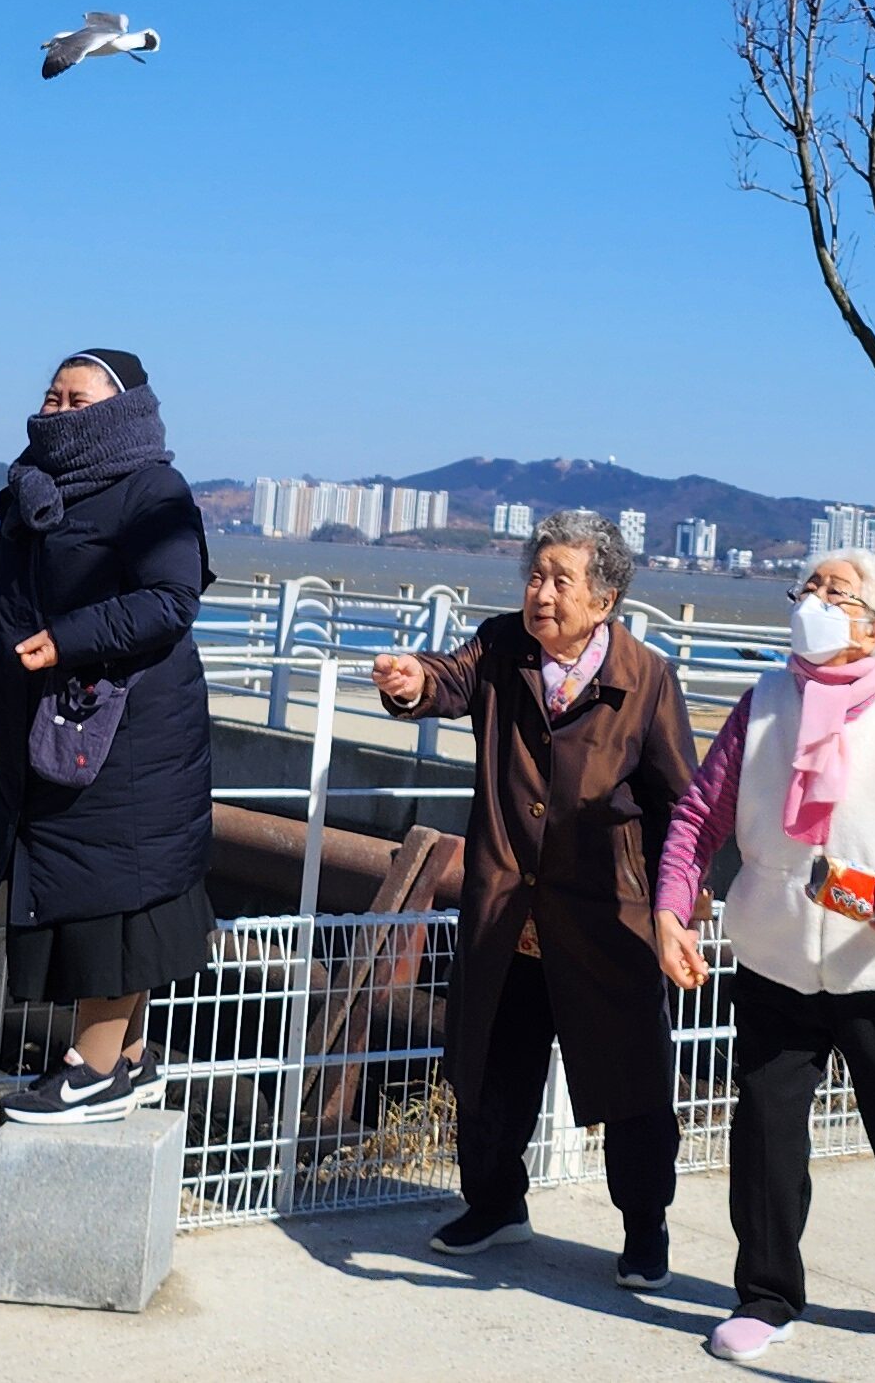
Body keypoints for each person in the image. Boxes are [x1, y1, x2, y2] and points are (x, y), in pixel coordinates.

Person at [654, 548, 875, 1363]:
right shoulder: (763, 701)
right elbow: (699, 817)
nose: (813, 600)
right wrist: (670, 909)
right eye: (807, 586)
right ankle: (765, 1297)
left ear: (874, 628)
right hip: (775, 955)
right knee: (765, 1135)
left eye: (834, 593)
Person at [371, 510, 695, 1288]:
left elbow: (682, 806)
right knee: (489, 1067)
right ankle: (494, 1206)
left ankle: (644, 1227)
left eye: (560, 580)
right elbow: (449, 679)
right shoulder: (501, 645)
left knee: (631, 1082)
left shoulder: (648, 678)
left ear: (604, 599)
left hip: (605, 917)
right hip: (509, 910)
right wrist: (412, 684)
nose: (541, 593)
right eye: (535, 576)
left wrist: (677, 909)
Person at [0, 350, 213, 1125]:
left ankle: (93, 1071)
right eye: (52, 396)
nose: (57, 411)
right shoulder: (33, 491)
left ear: (119, 409)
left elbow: (171, 599)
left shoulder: (154, 490)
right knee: (92, 888)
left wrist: (67, 639)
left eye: (76, 399)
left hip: (130, 735)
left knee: (114, 900)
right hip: (52, 731)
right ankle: (131, 1059)